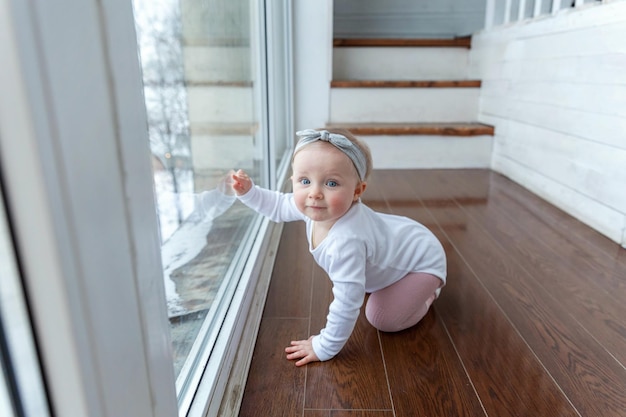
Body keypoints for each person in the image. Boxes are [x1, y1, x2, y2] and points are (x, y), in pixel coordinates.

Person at [231, 128, 447, 366]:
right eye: (305, 181)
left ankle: (427, 294)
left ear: (357, 191)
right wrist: (249, 192)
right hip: (401, 242)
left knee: (380, 317)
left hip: (422, 262)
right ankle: (395, 284)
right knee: (361, 283)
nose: (314, 193)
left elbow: (347, 303)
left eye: (331, 183)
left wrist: (324, 345)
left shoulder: (347, 241)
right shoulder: (315, 207)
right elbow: (278, 205)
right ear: (293, 181)